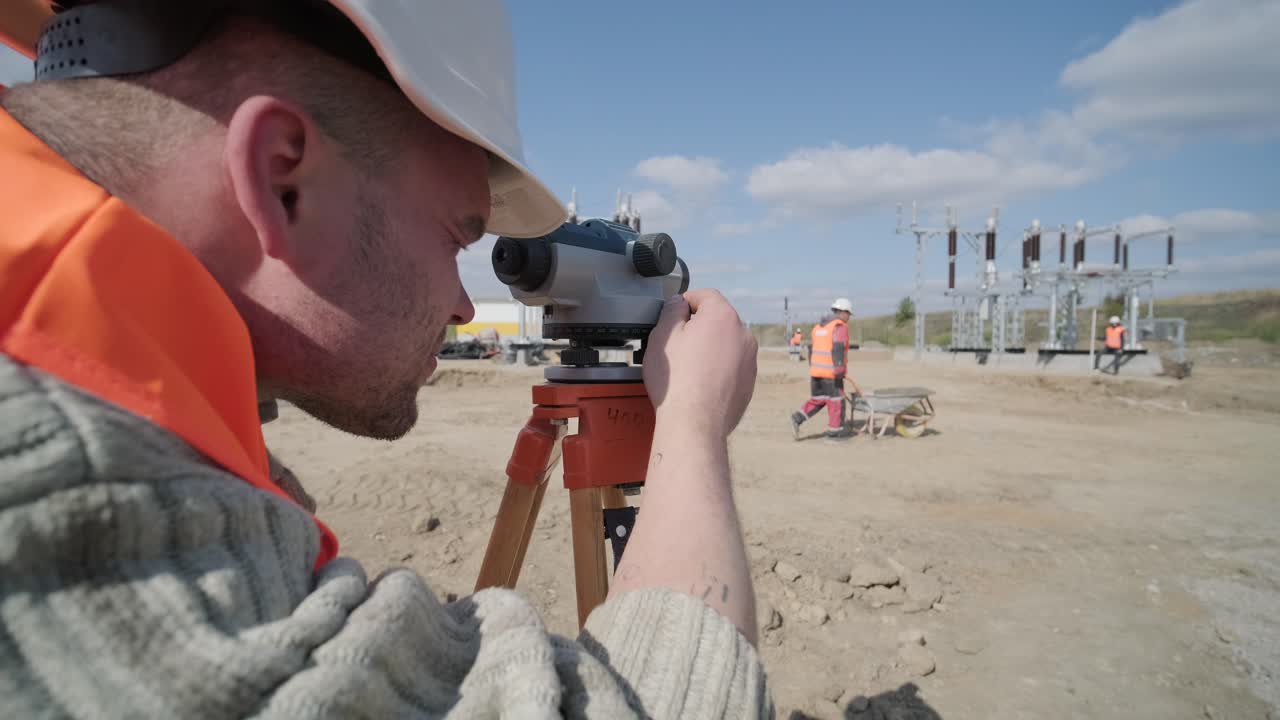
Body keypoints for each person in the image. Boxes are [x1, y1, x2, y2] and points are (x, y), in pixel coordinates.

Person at [0, 2, 769, 717]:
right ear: (283, 178)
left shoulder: (92, 358)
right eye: (456, 237)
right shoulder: (73, 464)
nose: (464, 306)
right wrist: (693, 418)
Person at [790, 298, 853, 442]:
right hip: (831, 373)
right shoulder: (839, 326)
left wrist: (814, 367)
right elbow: (838, 347)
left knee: (818, 400)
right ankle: (834, 434)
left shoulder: (818, 327)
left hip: (816, 372)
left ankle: (797, 418)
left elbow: (812, 349)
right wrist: (839, 369)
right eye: (848, 314)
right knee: (837, 401)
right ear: (842, 312)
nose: (848, 317)